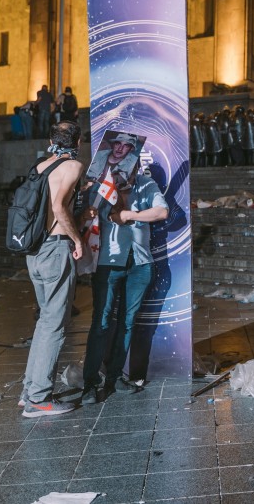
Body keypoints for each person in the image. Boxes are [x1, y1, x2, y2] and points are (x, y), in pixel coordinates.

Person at [81, 168, 169, 402]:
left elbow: (162, 211)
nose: (126, 175)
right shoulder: (101, 187)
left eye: (131, 169)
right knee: (101, 321)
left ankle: (114, 376)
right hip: (108, 264)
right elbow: (84, 216)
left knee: (127, 323)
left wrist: (130, 215)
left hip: (139, 264)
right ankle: (90, 382)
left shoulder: (145, 184)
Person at [20, 120, 84, 418]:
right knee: (55, 326)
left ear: (50, 139)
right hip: (56, 248)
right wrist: (77, 238)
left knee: (45, 322)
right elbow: (58, 208)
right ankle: (38, 399)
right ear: (78, 142)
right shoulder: (72, 166)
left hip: (34, 250)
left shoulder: (41, 165)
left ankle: (29, 391)